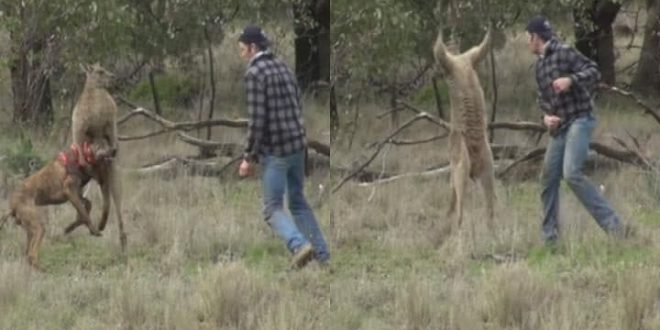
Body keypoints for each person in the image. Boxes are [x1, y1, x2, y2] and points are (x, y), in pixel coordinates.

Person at [237, 25, 330, 268]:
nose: (241, 54)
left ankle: (298, 245)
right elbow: (298, 107)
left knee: (272, 209)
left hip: (276, 151)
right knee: (298, 203)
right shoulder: (285, 68)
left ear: (253, 47)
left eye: (242, 49)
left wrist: (248, 157)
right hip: (298, 147)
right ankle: (322, 255)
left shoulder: (255, 73)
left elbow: (257, 121)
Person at [525, 15, 623, 243]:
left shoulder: (565, 52)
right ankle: (550, 238)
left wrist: (571, 80)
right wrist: (546, 118)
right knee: (548, 178)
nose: (526, 42)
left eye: (527, 37)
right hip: (560, 128)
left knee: (571, 173)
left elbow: (594, 71)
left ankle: (615, 227)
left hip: (580, 119)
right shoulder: (539, 66)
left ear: (535, 37)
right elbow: (543, 100)